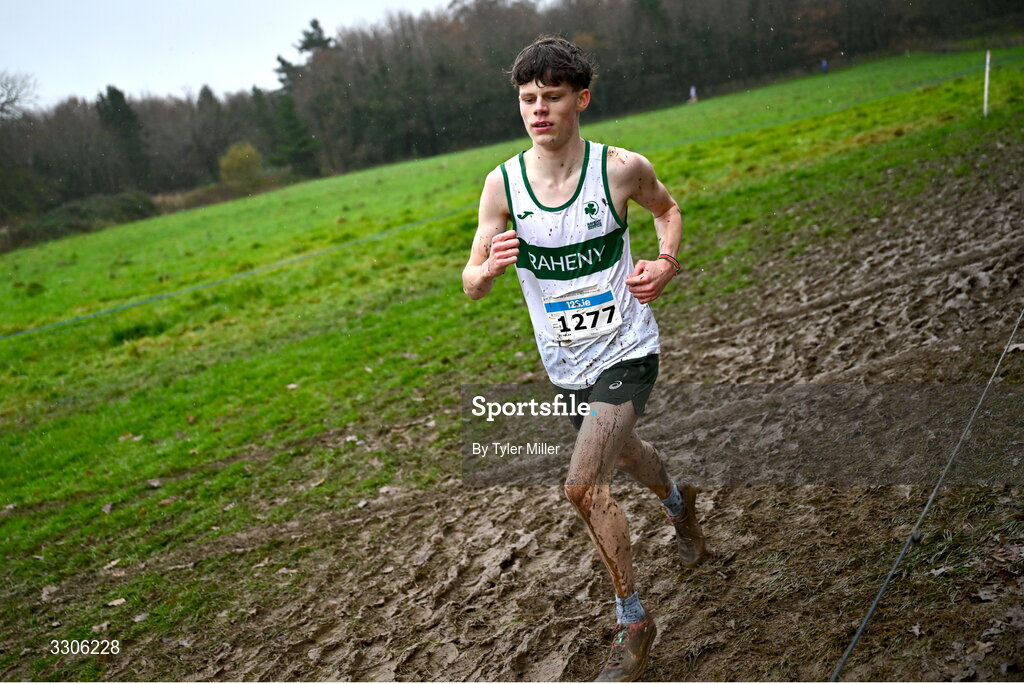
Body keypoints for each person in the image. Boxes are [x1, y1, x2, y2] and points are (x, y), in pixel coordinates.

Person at [462, 35, 707, 682]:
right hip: (566, 366)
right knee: (626, 456)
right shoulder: (503, 184)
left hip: (628, 350)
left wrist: (666, 262)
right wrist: (485, 272)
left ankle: (634, 620)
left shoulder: (620, 168)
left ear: (581, 99)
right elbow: (471, 277)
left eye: (551, 97)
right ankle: (680, 502)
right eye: (527, 99)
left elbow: (668, 210)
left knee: (582, 483)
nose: (538, 111)